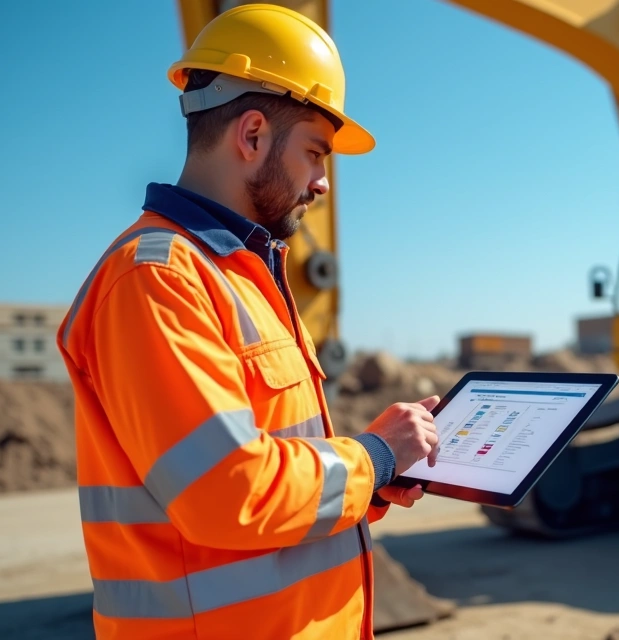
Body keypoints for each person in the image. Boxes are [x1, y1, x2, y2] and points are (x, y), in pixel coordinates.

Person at [56, 5, 438, 638]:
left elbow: (264, 469)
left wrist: (369, 483)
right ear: (253, 134)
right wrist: (373, 456)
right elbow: (227, 492)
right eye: (315, 153)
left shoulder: (242, 276)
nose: (322, 183)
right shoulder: (156, 278)